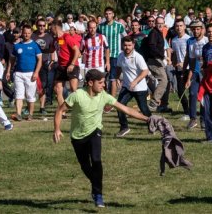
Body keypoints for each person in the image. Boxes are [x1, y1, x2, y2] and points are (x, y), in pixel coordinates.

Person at [53, 69, 149, 208]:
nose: (104, 85)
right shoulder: (77, 95)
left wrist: (147, 119)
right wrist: (57, 129)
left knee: (96, 160)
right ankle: (96, 184)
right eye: (101, 83)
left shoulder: (104, 96)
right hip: (77, 136)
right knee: (85, 166)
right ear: (90, 83)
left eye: (104, 82)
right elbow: (60, 110)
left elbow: (126, 109)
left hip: (95, 131)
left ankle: (98, 194)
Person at [114, 36, 151, 137]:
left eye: (129, 45)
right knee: (119, 106)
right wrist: (117, 78)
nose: (127, 47)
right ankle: (124, 127)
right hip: (127, 87)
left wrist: (135, 81)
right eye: (125, 45)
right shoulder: (120, 55)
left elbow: (145, 71)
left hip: (140, 88)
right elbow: (118, 67)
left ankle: (152, 124)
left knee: (144, 109)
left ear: (133, 45)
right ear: (122, 45)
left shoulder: (138, 57)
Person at [6, 25, 42, 121]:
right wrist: (8, 71)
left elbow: (40, 60)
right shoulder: (17, 46)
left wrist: (36, 72)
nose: (26, 35)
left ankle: (30, 114)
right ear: (22, 33)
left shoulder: (35, 45)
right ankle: (18, 114)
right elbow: (12, 60)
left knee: (30, 96)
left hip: (30, 74)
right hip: (18, 74)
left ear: (31, 33)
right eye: (25, 33)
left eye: (28, 33)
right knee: (19, 95)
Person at [98, 7, 127, 100]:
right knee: (101, 78)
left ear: (113, 14)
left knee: (113, 78)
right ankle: (102, 98)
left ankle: (112, 101)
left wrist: (124, 51)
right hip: (102, 55)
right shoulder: (100, 26)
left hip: (115, 55)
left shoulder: (119, 26)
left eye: (110, 13)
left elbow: (126, 38)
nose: (108, 15)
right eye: (106, 13)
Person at [183, 20, 207, 129]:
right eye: (194, 29)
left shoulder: (207, 40)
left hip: (206, 73)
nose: (196, 31)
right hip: (195, 72)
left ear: (202, 29)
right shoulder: (190, 41)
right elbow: (190, 59)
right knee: (192, 94)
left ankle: (203, 118)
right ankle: (193, 118)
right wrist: (188, 77)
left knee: (204, 96)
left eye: (198, 29)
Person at [144, 17, 169, 112]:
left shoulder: (159, 33)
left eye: (162, 23)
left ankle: (163, 104)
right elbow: (152, 47)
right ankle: (153, 103)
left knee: (166, 81)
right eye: (158, 23)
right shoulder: (154, 33)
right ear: (155, 23)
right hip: (154, 60)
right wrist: (162, 56)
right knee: (163, 80)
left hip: (157, 59)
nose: (160, 25)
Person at [32, 19, 56, 112]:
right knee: (31, 86)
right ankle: (29, 107)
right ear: (36, 26)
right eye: (39, 25)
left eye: (43, 25)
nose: (41, 27)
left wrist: (52, 60)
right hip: (32, 63)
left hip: (44, 63)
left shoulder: (49, 37)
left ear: (45, 26)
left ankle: (42, 107)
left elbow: (52, 49)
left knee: (43, 85)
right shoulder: (33, 35)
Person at [169, 19, 190, 118]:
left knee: (193, 92)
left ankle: (196, 111)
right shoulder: (174, 40)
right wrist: (173, 62)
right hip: (179, 69)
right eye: (177, 26)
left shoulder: (189, 39)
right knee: (180, 91)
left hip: (189, 68)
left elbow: (192, 55)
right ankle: (187, 111)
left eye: (181, 25)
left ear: (184, 27)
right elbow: (175, 54)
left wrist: (184, 63)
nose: (179, 28)